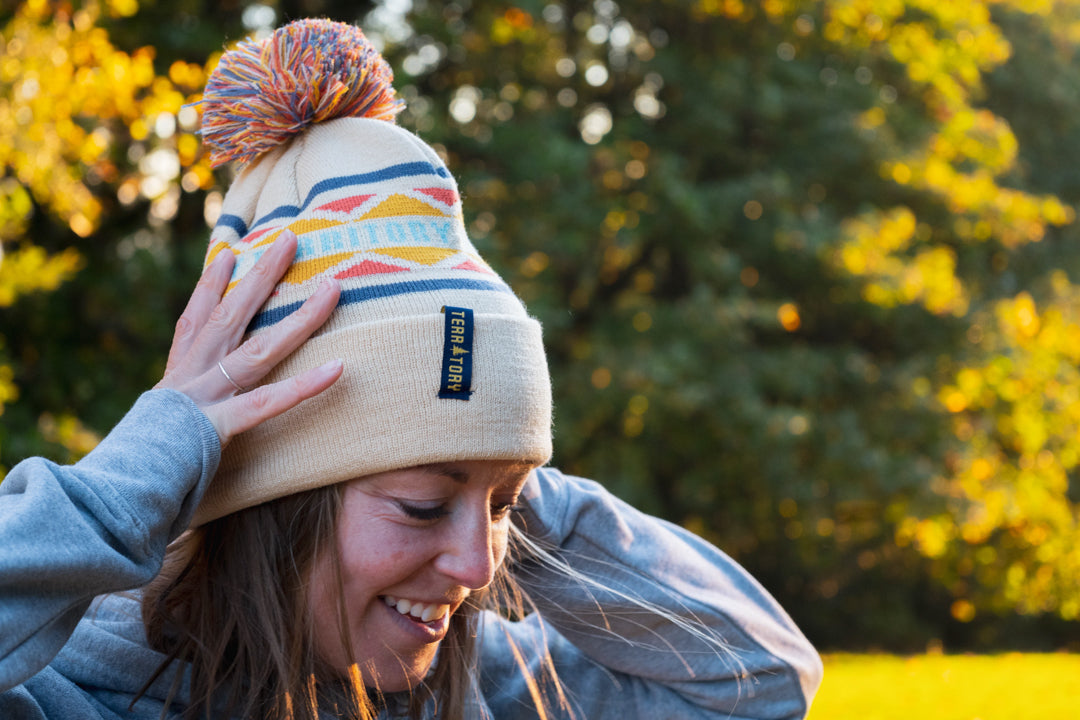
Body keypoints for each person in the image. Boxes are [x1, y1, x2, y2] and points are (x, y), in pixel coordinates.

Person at [0, 19, 822, 720]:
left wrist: (492, 469)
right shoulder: (62, 694)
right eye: (424, 506)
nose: (477, 568)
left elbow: (764, 681)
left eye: (503, 506)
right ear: (273, 501)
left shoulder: (480, 686)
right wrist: (149, 465)